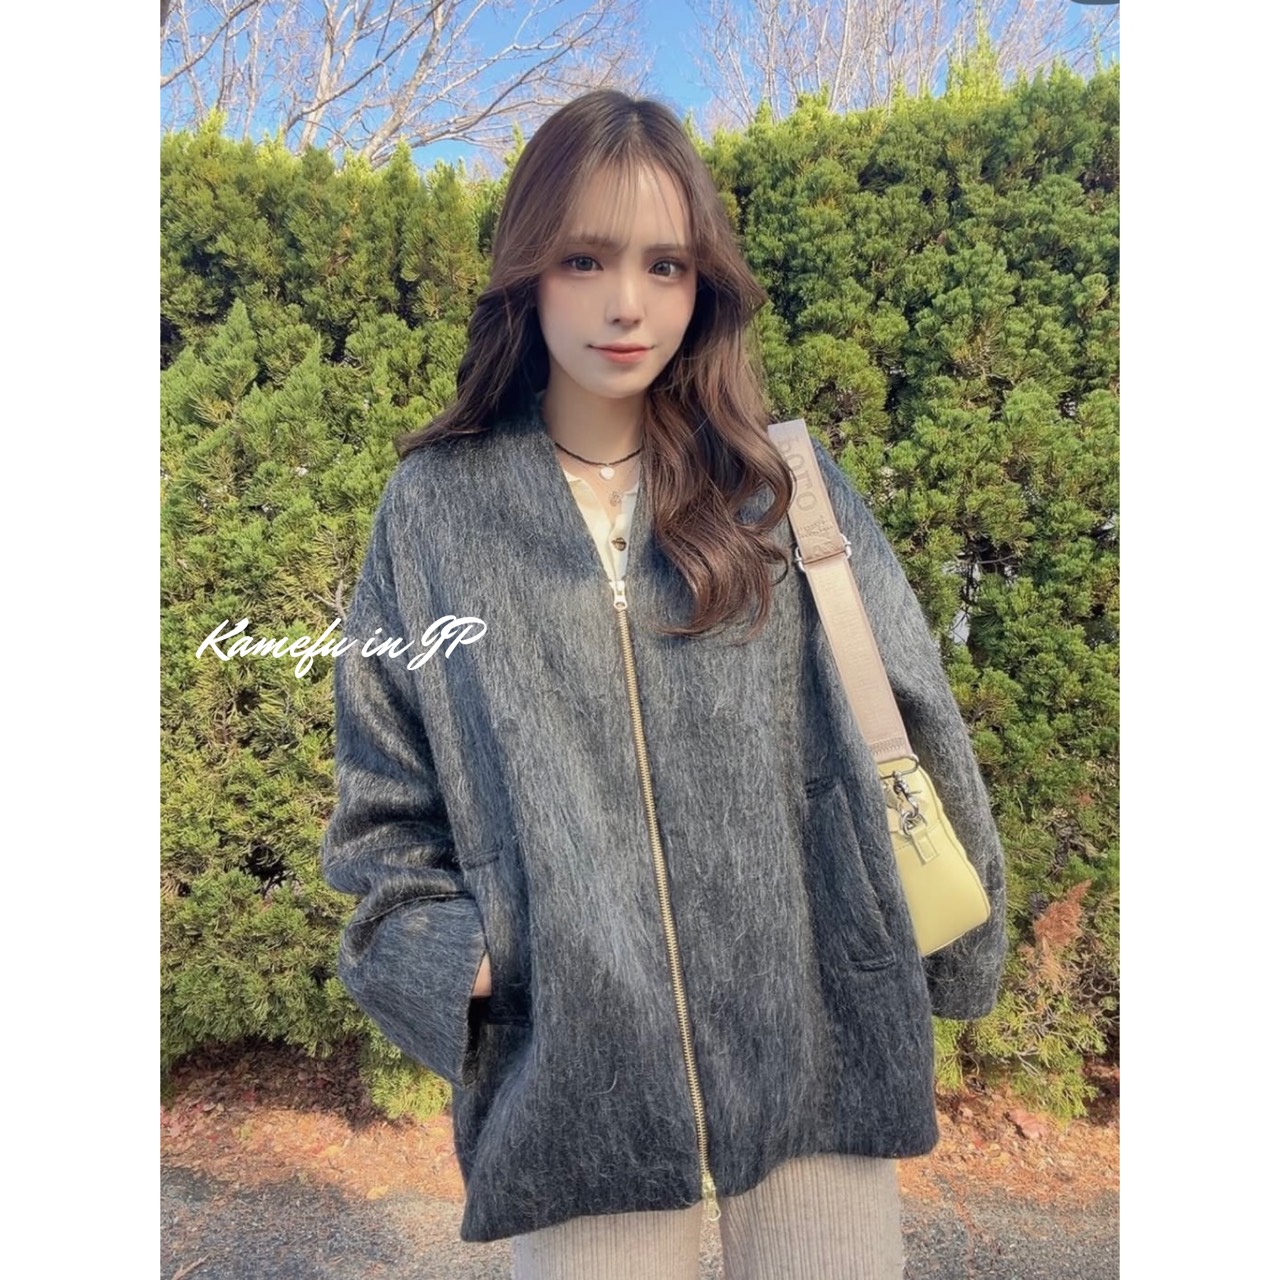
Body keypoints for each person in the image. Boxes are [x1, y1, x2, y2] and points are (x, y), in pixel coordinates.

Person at [320, 88, 1007, 1280]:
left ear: (704, 285)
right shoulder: (435, 511)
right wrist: (471, 955)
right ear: (527, 271)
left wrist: (947, 943)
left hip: (817, 1061)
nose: (626, 303)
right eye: (584, 258)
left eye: (665, 263)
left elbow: (910, 715)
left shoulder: (777, 488)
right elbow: (384, 799)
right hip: (577, 1094)